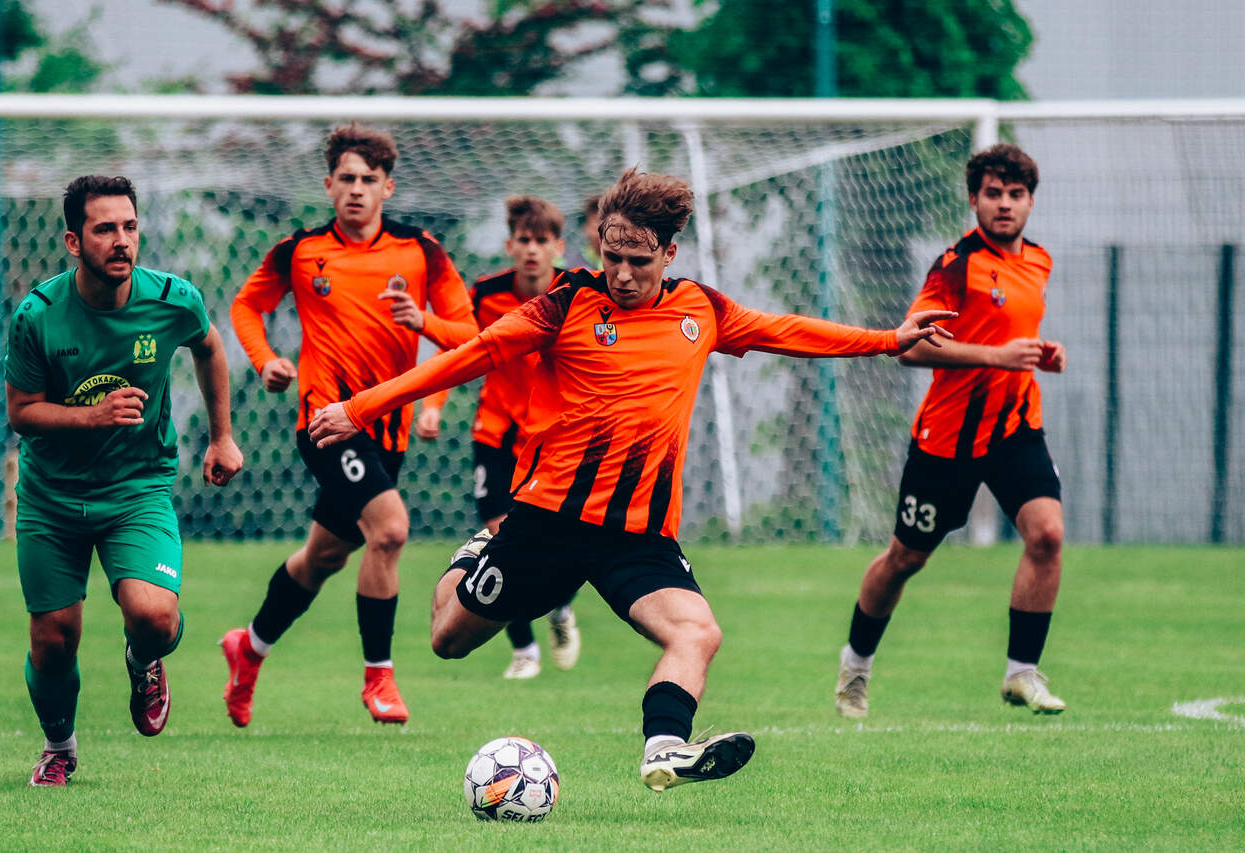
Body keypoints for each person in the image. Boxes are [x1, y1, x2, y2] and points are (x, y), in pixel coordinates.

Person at [309, 167, 954, 791]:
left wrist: (887, 339)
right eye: (611, 255)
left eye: (638, 261)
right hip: (548, 525)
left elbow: (785, 331)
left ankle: (664, 748)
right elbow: (467, 357)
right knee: (447, 640)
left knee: (697, 631)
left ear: (669, 254)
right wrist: (360, 409)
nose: (620, 273)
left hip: (638, 536)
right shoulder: (562, 306)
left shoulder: (701, 309)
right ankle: (478, 551)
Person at [220, 123, 477, 727]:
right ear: (328, 185)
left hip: (387, 433)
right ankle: (379, 678)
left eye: (368, 179)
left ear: (388, 187)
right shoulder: (301, 250)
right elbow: (247, 305)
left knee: (323, 558)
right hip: (326, 422)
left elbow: (471, 335)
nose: (356, 189)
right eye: (346, 178)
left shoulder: (420, 252)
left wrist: (424, 323)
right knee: (390, 530)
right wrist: (265, 361)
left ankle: (249, 648)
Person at [6, 175, 243, 786]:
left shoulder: (172, 300)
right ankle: (60, 747)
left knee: (154, 618)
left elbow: (210, 346)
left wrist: (221, 436)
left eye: (130, 227)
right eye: (105, 229)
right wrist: (91, 415)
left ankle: (144, 661)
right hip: (52, 498)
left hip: (137, 489)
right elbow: (21, 412)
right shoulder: (37, 316)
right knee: (53, 640)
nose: (122, 241)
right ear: (73, 241)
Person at [832, 143, 1068, 719]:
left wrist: (1042, 354)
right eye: (994, 193)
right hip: (948, 439)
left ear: (1031, 201)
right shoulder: (955, 266)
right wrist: (996, 356)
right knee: (905, 560)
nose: (1005, 204)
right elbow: (910, 348)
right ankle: (855, 666)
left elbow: (1010, 332)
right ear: (974, 200)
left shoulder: (1039, 261)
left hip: (1016, 428)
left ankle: (1021, 673)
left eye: (1016, 194)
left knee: (1046, 535)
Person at [421, 196, 583, 680]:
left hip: (554, 439)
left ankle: (559, 607)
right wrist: (432, 407)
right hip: (495, 431)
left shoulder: (577, 293)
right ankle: (525, 650)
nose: (532, 250)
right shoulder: (487, 293)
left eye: (542, 241)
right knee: (500, 536)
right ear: (510, 246)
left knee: (563, 544)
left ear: (558, 247)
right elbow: (458, 352)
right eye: (524, 240)